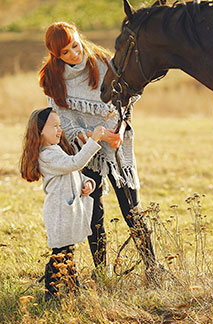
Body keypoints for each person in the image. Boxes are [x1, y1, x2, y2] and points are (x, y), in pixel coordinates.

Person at [38, 22, 157, 277]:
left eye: (74, 45)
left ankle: (153, 267)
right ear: (56, 55)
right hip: (85, 150)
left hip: (117, 145)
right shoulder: (52, 77)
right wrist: (87, 136)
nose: (74, 54)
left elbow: (127, 99)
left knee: (132, 209)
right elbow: (63, 118)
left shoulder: (104, 63)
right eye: (65, 53)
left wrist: (121, 131)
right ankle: (102, 272)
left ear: (79, 38)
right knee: (94, 213)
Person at [20, 107, 105, 300]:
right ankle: (51, 292)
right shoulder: (46, 155)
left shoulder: (56, 150)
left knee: (68, 252)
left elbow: (74, 172)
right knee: (60, 254)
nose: (60, 130)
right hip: (59, 213)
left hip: (68, 211)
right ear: (40, 130)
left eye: (60, 126)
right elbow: (74, 164)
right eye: (54, 126)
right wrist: (94, 141)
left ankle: (74, 288)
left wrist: (88, 183)